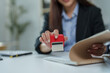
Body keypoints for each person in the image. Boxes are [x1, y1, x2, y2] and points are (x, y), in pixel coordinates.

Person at [35, 0, 105, 54]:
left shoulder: (93, 12)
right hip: (59, 62)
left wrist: (100, 48)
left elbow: (103, 41)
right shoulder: (50, 15)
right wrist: (47, 45)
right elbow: (39, 43)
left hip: (85, 60)